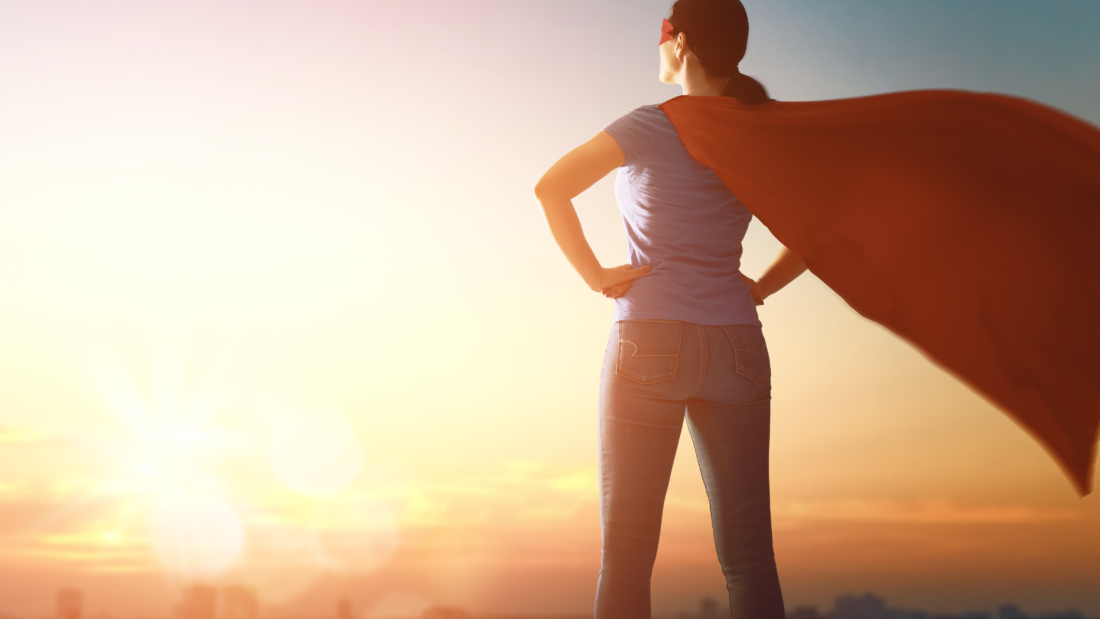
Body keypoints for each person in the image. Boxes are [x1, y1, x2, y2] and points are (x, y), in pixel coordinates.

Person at [533, 1, 803, 617]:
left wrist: (596, 275)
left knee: (626, 557)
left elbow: (551, 188)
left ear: (679, 42)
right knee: (749, 559)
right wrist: (758, 287)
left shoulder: (647, 126)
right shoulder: (760, 132)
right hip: (737, 343)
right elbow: (820, 233)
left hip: (647, 339)